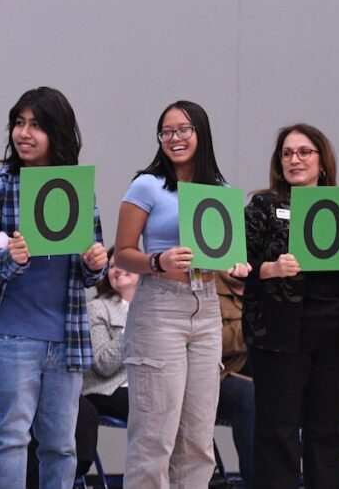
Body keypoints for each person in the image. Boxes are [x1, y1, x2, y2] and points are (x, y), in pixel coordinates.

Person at [0, 87, 107, 488]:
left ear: (57, 133)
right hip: (13, 335)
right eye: (19, 123)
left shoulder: (77, 189)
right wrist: (10, 259)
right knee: (10, 439)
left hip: (67, 337)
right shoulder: (0, 186)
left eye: (36, 125)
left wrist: (96, 265)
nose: (24, 133)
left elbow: (90, 274)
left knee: (60, 445)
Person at [114, 100, 250, 488]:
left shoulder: (218, 189)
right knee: (155, 436)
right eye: (167, 131)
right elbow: (122, 252)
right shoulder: (147, 185)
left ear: (201, 133)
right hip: (160, 307)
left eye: (183, 130)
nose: (175, 138)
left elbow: (225, 253)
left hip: (205, 305)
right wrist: (159, 261)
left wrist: (235, 266)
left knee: (197, 436)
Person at [243, 123, 339, 489]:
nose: (294, 159)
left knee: (328, 434)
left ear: (322, 161)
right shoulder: (264, 207)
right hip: (281, 336)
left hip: (337, 336)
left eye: (303, 152)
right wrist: (271, 268)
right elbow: (236, 264)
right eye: (286, 153)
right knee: (278, 435)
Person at [0, 307, 100, 486]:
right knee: (17, 430)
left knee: (78, 420)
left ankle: (38, 479)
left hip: (44, 368)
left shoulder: (55, 311)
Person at [82, 248, 138, 422]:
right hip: (108, 389)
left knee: (186, 415)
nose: (118, 269)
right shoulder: (97, 308)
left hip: (149, 386)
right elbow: (103, 364)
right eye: (112, 266)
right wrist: (133, 327)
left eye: (124, 263)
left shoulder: (156, 308)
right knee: (161, 411)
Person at [214, 270, 255, 487]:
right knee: (251, 396)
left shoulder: (266, 286)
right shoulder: (207, 286)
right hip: (219, 378)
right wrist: (256, 326)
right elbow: (213, 343)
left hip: (268, 376)